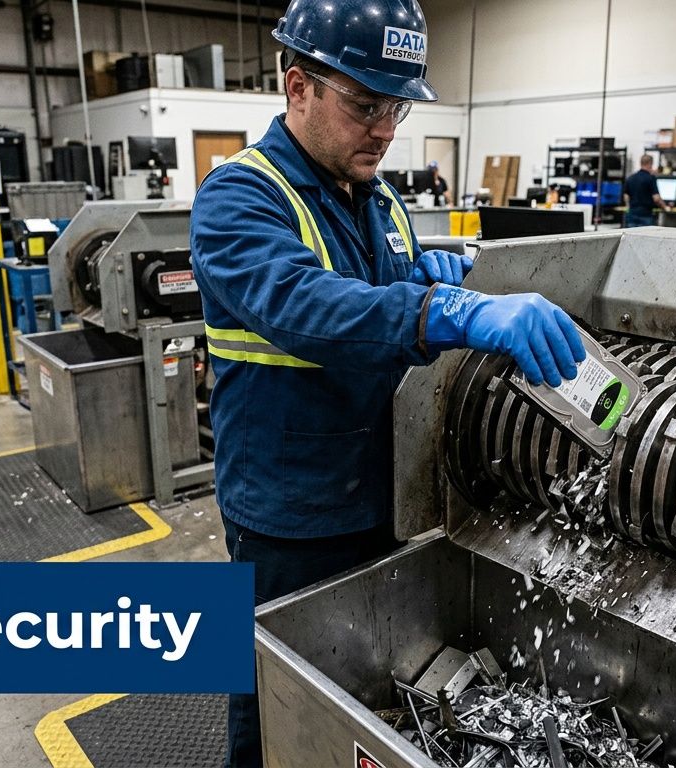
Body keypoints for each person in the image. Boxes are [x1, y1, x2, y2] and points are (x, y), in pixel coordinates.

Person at [188, 1, 586, 765]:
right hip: (291, 510)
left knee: (365, 693)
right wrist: (449, 307)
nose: (385, 128)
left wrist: (425, 272)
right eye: (365, 104)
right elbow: (307, 307)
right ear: (297, 85)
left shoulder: (381, 201)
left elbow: (385, 296)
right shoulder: (240, 197)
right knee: (273, 691)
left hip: (390, 496)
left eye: (396, 105)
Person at [623, 154, 665, 227]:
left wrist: (628, 207)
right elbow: (656, 198)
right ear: (650, 164)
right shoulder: (650, 178)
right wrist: (665, 207)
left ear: (640, 163)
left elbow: (626, 195)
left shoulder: (631, 178)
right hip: (646, 215)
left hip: (632, 214)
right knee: (646, 237)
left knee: (631, 236)